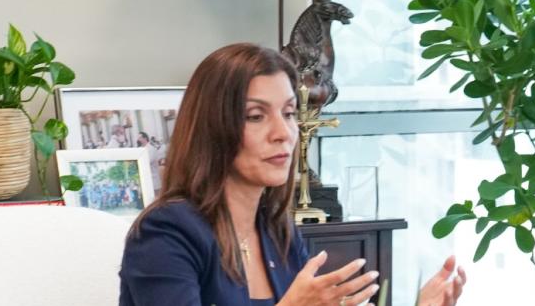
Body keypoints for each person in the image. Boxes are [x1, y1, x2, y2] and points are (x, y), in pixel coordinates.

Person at [120, 43, 467, 306]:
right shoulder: (166, 233)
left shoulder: (277, 230)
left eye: (288, 113)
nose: (283, 133)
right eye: (256, 116)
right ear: (212, 127)